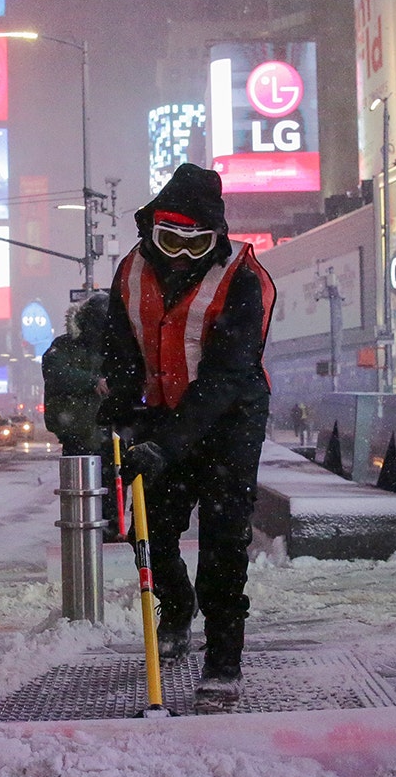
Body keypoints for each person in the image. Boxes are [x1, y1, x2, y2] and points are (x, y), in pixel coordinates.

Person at [101, 163, 275, 713]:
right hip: (159, 415)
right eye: (167, 238)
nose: (178, 253)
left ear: (214, 239)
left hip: (230, 421)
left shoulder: (244, 280)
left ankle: (223, 659)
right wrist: (125, 415)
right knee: (149, 529)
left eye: (193, 242)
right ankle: (175, 609)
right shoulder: (130, 271)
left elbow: (226, 377)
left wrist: (168, 443)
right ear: (151, 229)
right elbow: (121, 350)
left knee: (225, 541)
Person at [42, 292, 112, 459]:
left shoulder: (114, 346)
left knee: (99, 480)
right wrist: (92, 382)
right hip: (79, 435)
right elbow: (55, 372)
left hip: (106, 435)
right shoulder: (65, 345)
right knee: (81, 481)